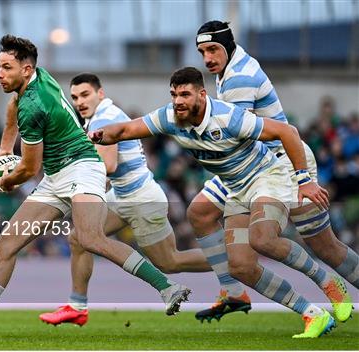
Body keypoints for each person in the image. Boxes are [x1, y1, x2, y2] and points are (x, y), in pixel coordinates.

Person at [0, 35, 191, 340]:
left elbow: (28, 168)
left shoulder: (34, 106)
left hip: (84, 167)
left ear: (26, 71)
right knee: (7, 244)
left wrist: (5, 182)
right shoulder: (38, 78)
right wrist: (2, 149)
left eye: (6, 68)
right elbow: (13, 106)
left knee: (90, 237)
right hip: (57, 175)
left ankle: (168, 288)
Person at [88, 67, 338, 338]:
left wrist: (305, 180)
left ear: (202, 94)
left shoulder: (228, 117)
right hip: (234, 188)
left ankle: (326, 280)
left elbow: (287, 132)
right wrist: (100, 135)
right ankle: (311, 312)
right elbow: (126, 129)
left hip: (267, 178)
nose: (178, 101)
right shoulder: (170, 117)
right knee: (240, 265)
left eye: (185, 94)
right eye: (174, 94)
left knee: (262, 239)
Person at [190, 20, 354, 323]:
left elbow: (235, 136)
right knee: (231, 253)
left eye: (212, 49)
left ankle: (329, 285)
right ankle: (247, 294)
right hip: (248, 169)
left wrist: (304, 180)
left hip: (283, 164)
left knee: (325, 247)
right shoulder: (227, 69)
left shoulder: (239, 78)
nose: (207, 58)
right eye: (202, 52)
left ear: (227, 46)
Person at [39, 73, 213, 326]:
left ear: (101, 94)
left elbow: (107, 166)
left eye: (85, 95)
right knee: (80, 238)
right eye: (75, 97)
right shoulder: (100, 117)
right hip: (123, 195)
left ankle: (235, 262)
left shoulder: (104, 118)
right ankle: (77, 306)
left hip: (141, 198)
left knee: (170, 261)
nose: (79, 102)